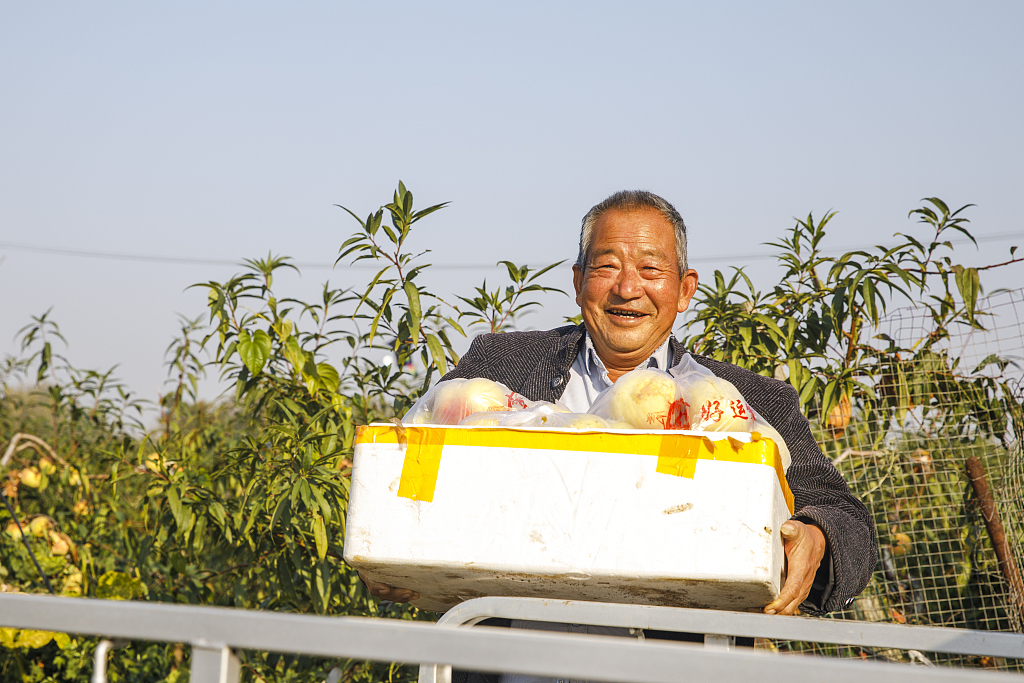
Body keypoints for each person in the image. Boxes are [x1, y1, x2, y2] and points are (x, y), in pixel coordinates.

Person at [361, 190, 877, 650]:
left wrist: (816, 537)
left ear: (685, 288)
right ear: (578, 279)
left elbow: (847, 519)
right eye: (606, 266)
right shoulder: (498, 368)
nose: (628, 288)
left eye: (652, 269)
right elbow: (417, 467)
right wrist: (388, 545)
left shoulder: (741, 402)